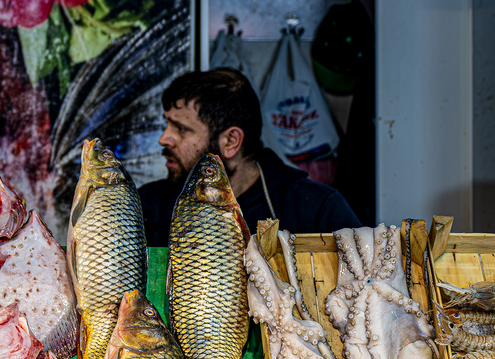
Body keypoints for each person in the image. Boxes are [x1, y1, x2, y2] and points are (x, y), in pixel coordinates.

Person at [139, 68, 360, 244]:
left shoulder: (316, 210)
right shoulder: (148, 205)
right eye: (166, 124)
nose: (164, 138)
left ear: (231, 141)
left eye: (181, 129)